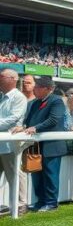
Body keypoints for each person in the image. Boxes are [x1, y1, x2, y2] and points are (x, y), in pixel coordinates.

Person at [20, 77, 69, 212]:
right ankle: (40, 201)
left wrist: (36, 128)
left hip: (51, 146)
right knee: (36, 175)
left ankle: (51, 203)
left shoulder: (56, 101)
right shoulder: (35, 103)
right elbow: (29, 121)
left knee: (50, 174)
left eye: (37, 87)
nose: (34, 90)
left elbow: (54, 119)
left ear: (47, 89)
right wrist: (23, 127)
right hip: (36, 145)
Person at [0, 68, 29, 215]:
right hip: (1, 143)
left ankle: (21, 204)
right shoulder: (1, 96)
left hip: (10, 144)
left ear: (12, 79)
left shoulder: (18, 97)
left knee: (15, 175)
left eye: (1, 76)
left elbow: (13, 119)